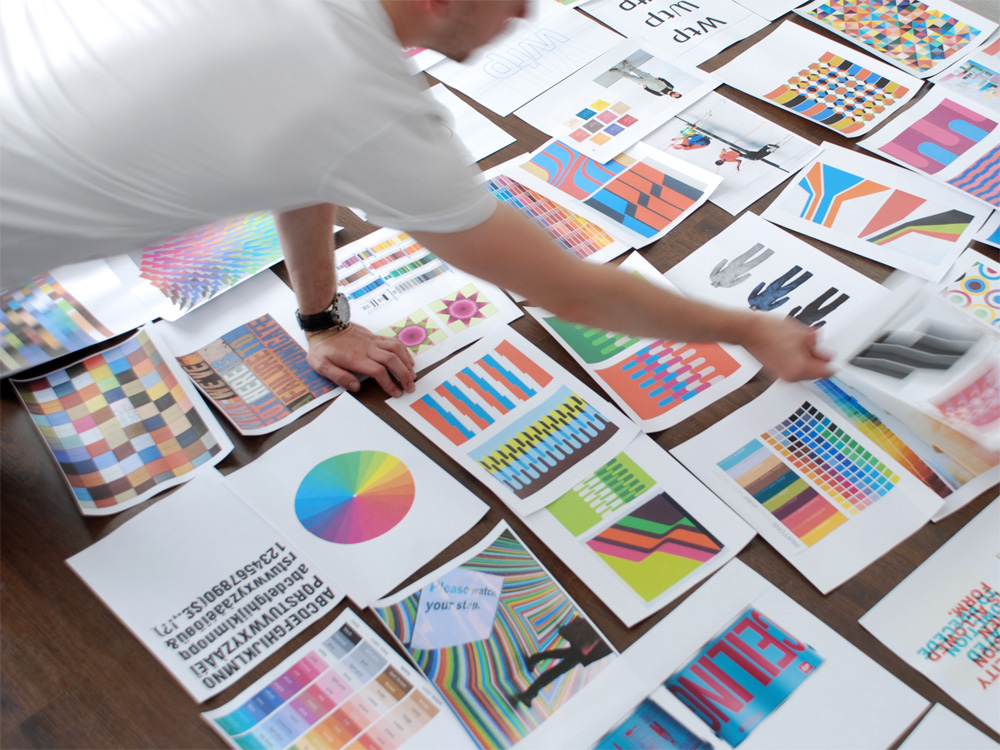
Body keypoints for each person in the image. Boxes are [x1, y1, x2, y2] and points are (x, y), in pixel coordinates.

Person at [0, 0, 831, 399]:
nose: (525, 12)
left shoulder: (323, 76)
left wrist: (322, 319)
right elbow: (572, 291)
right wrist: (751, 329)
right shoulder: (357, 100)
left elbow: (301, 161)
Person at [610, 59, 682, 98]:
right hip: (650, 78)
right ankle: (627, 65)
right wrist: (659, 78)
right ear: (677, 92)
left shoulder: (660, 94)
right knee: (637, 71)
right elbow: (665, 81)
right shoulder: (671, 87)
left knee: (629, 77)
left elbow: (651, 91)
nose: (675, 94)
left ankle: (616, 71)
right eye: (677, 94)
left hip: (644, 83)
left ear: (673, 97)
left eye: (675, 96)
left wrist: (646, 88)